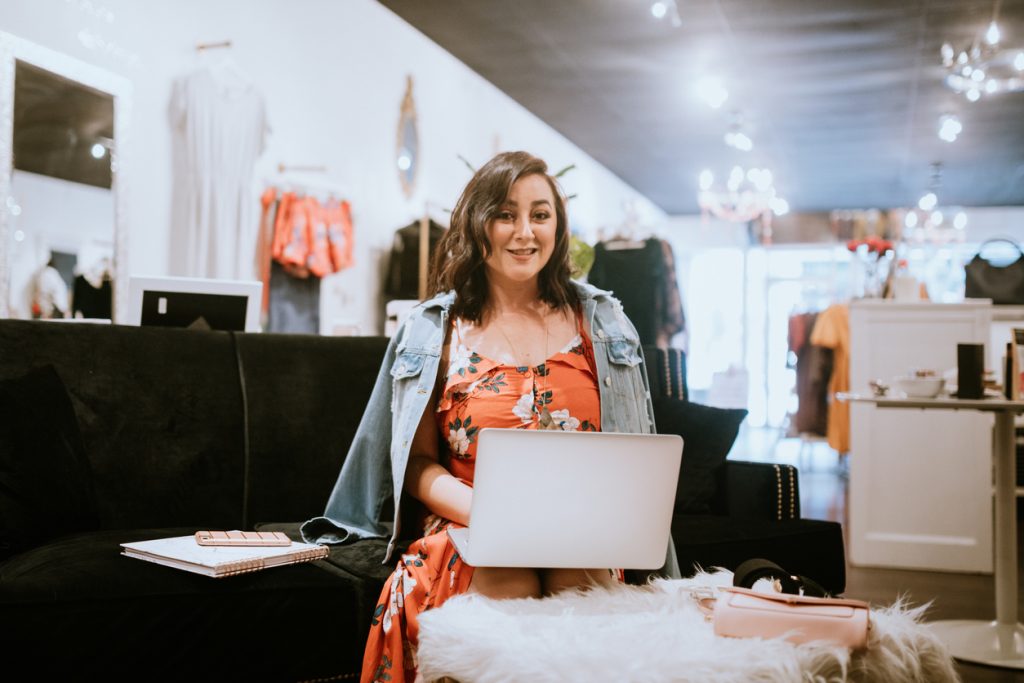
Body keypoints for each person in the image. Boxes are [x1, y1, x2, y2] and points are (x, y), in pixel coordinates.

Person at [301, 151, 679, 683]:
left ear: (558, 226)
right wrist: (491, 511)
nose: (525, 232)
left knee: (580, 580)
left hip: (582, 530)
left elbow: (635, 459)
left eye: (540, 215)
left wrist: (583, 525)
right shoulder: (434, 329)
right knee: (506, 573)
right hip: (469, 523)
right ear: (477, 224)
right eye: (506, 214)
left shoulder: (604, 321)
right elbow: (416, 465)